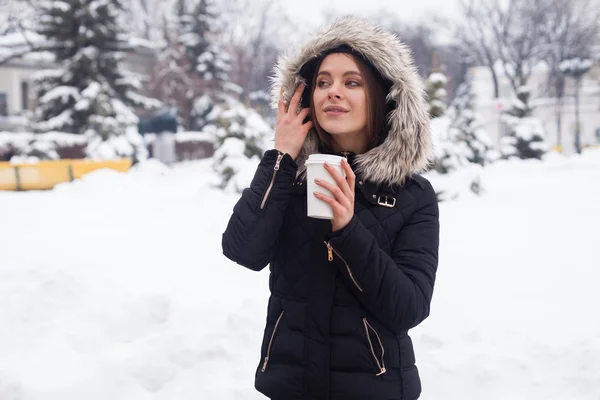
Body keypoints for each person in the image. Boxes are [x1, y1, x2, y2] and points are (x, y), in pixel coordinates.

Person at [222, 16, 439, 400]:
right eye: (322, 82)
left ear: (382, 97)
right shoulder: (290, 178)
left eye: (351, 82)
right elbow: (243, 250)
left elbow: (409, 308)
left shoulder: (411, 195)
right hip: (290, 387)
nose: (332, 92)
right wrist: (280, 156)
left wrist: (348, 230)